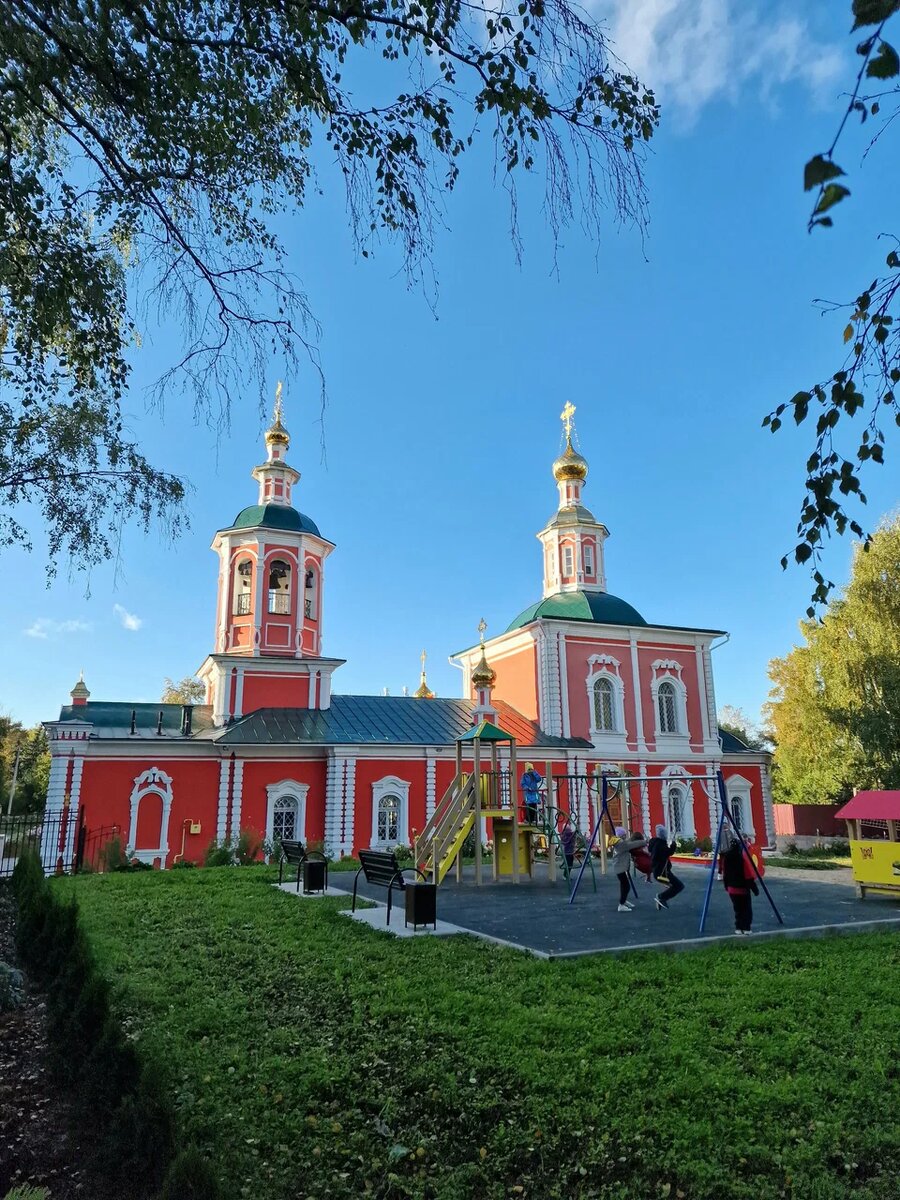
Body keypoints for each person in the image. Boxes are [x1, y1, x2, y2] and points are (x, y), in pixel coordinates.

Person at [720, 831, 759, 935]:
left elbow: (725, 874)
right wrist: (755, 889)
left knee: (737, 910)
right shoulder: (742, 859)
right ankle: (746, 928)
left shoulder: (727, 858)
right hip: (743, 889)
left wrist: (726, 886)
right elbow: (748, 875)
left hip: (732, 889)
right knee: (746, 909)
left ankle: (738, 927)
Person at [647, 824, 685, 910]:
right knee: (679, 886)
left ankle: (661, 899)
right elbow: (669, 852)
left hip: (658, 872)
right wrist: (673, 844)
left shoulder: (654, 843)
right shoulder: (660, 846)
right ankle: (661, 897)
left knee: (674, 885)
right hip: (662, 873)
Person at [609, 826, 645, 912]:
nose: (626, 836)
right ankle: (621, 905)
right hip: (619, 868)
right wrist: (645, 842)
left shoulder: (618, 841)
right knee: (626, 886)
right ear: (621, 836)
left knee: (624, 885)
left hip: (619, 867)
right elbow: (631, 845)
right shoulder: (621, 844)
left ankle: (623, 901)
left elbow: (628, 843)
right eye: (624, 835)